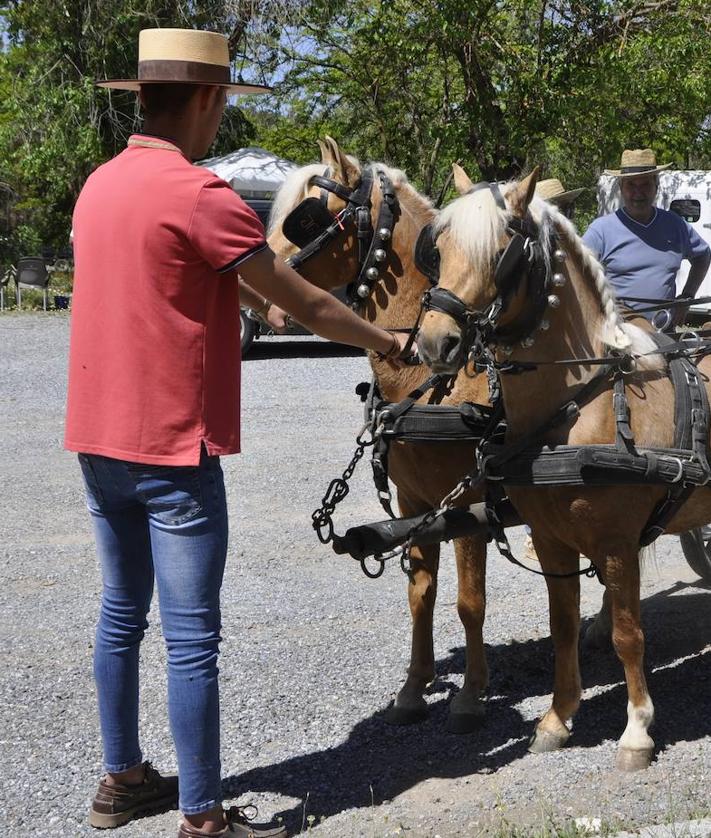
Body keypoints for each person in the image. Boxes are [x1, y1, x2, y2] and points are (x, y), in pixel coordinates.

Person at [66, 28, 411, 838]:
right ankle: (203, 819)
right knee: (192, 640)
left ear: (141, 98)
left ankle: (121, 780)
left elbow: (167, 282)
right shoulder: (200, 193)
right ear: (211, 101)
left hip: (98, 438)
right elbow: (306, 303)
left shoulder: (99, 185)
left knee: (121, 613)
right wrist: (386, 340)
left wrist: (243, 301)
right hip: (172, 445)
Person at [582, 148, 710, 327]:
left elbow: (703, 256)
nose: (638, 193)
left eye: (645, 185)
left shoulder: (675, 225)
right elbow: (578, 273)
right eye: (631, 185)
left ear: (656, 186)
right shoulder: (601, 231)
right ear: (621, 188)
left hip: (665, 334)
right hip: (619, 338)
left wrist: (688, 295)